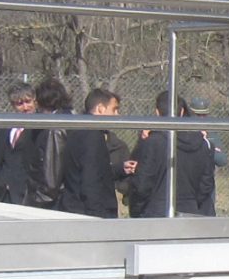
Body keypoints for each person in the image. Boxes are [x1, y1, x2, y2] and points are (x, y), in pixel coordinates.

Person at [132, 93, 217, 217]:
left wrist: (138, 209)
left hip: (156, 212)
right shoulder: (202, 144)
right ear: (182, 112)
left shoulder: (153, 142)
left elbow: (142, 183)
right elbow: (207, 183)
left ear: (157, 112)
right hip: (190, 211)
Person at [55, 87, 121, 219]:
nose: (117, 114)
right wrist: (97, 217)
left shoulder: (78, 130)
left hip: (75, 207)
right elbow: (91, 180)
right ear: (100, 108)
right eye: (114, 109)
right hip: (88, 213)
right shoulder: (92, 136)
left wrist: (121, 170)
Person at [21, 78, 73, 210]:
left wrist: (38, 200)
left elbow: (52, 175)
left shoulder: (55, 128)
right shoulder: (69, 118)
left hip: (50, 202)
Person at [0, 85, 38, 204]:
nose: (25, 107)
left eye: (28, 102)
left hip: (28, 195)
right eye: (19, 104)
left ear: (35, 102)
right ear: (13, 105)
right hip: (3, 193)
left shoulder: (40, 128)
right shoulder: (4, 127)